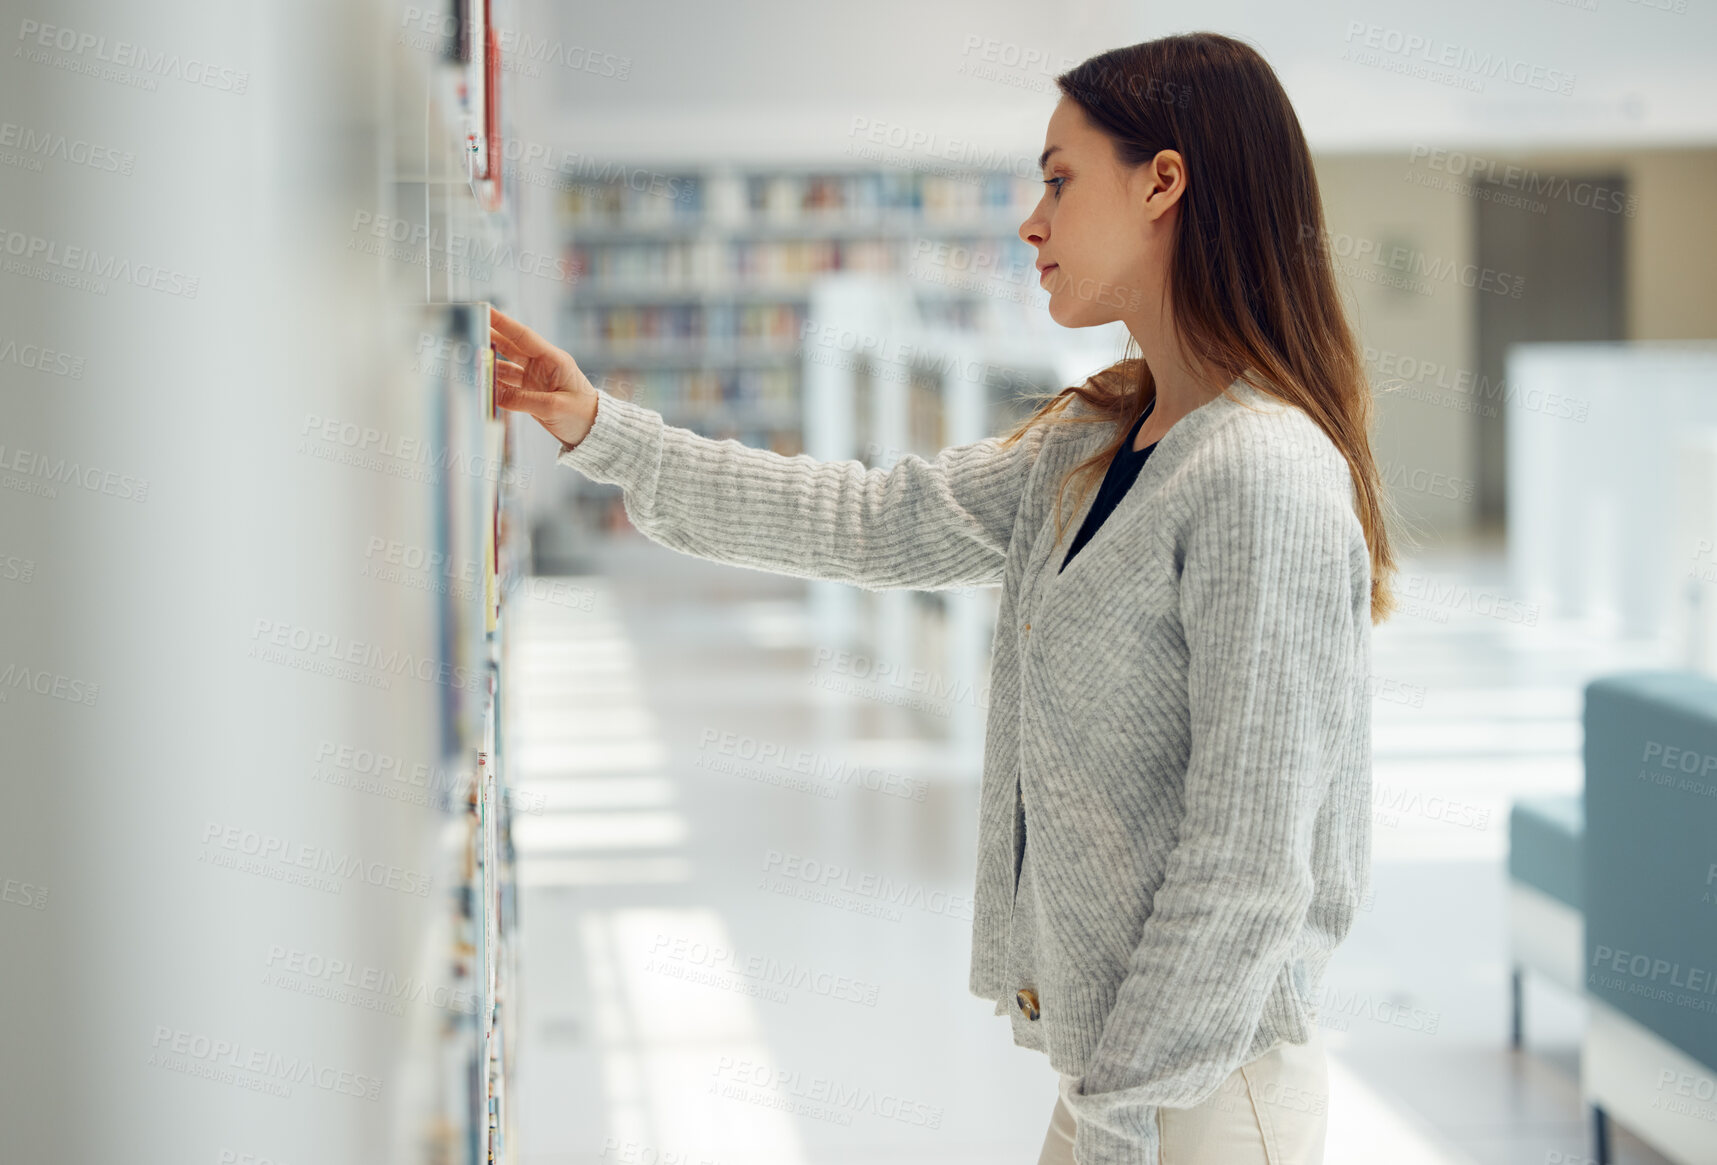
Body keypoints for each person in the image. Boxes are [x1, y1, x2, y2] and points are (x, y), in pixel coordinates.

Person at [492, 30, 1397, 1165]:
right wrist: (601, 428)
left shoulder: (1263, 474)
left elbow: (1251, 861)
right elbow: (872, 517)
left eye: (1059, 180)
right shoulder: (1097, 436)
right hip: (1120, 1069)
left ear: (1163, 182)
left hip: (1203, 1096)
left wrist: (1118, 1116)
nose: (1032, 220)